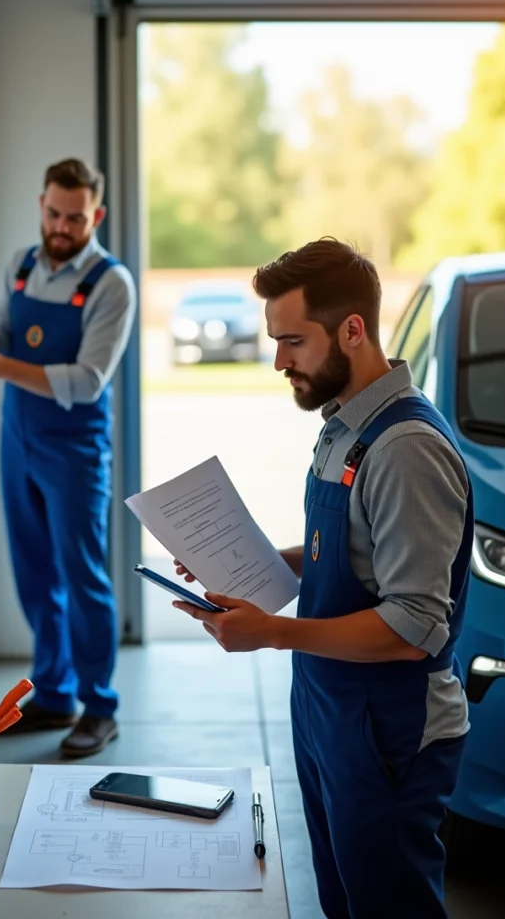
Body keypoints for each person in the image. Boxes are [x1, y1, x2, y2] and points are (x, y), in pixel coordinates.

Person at [174, 238, 472, 919]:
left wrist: (272, 632)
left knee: (386, 905)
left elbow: (411, 629)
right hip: (330, 709)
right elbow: (348, 554)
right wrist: (250, 565)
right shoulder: (344, 426)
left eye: (292, 341)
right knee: (343, 900)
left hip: (389, 730)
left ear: (352, 329)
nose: (278, 360)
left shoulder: (405, 451)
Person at [0, 158, 136, 758]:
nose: (61, 226)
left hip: (75, 449)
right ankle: (56, 692)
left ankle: (99, 706)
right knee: (34, 572)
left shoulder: (112, 283)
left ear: (97, 216)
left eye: (75, 217)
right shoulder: (22, 264)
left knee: (82, 576)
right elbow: (5, 340)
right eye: (54, 213)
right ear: (41, 205)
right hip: (18, 439)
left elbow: (87, 381)